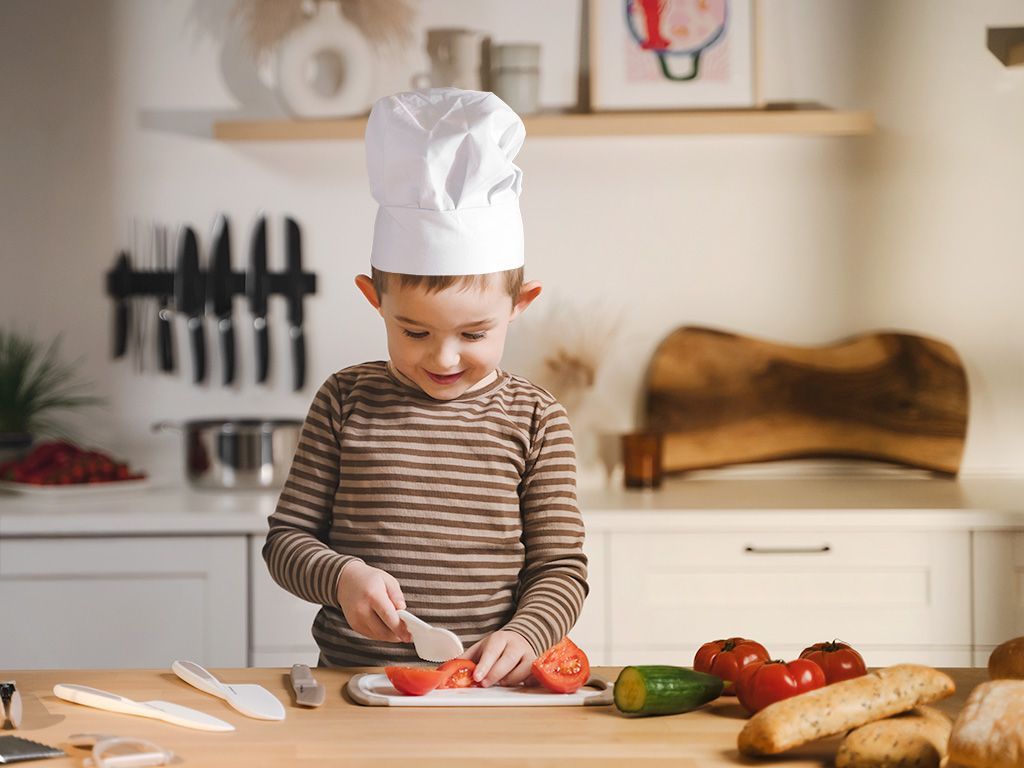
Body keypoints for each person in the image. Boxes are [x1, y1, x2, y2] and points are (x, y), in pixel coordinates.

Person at [263, 88, 588, 688]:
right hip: (355, 686)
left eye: (474, 333)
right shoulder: (344, 401)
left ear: (520, 306)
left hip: (485, 688)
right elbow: (286, 542)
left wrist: (527, 634)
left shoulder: (536, 418)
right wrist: (341, 577)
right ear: (374, 300)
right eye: (414, 331)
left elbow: (560, 568)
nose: (443, 357)